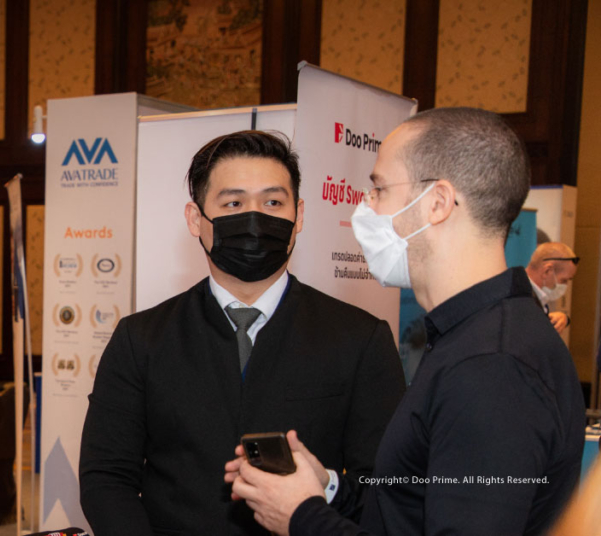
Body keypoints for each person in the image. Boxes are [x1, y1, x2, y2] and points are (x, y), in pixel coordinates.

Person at [225, 108, 586, 535]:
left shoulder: (491, 366)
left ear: (437, 203)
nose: (366, 205)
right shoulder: (473, 335)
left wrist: (302, 517)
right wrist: (327, 489)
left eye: (379, 189)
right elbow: (416, 503)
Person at [79, 130, 406, 535]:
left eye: (273, 202)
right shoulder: (141, 338)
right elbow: (106, 477)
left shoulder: (360, 339)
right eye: (233, 203)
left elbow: (386, 486)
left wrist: (325, 488)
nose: (255, 219)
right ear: (196, 219)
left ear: (299, 216)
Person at [526, 242, 579, 334]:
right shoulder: (519, 297)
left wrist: (564, 318)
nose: (565, 286)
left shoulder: (535, 296)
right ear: (547, 270)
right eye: (563, 280)